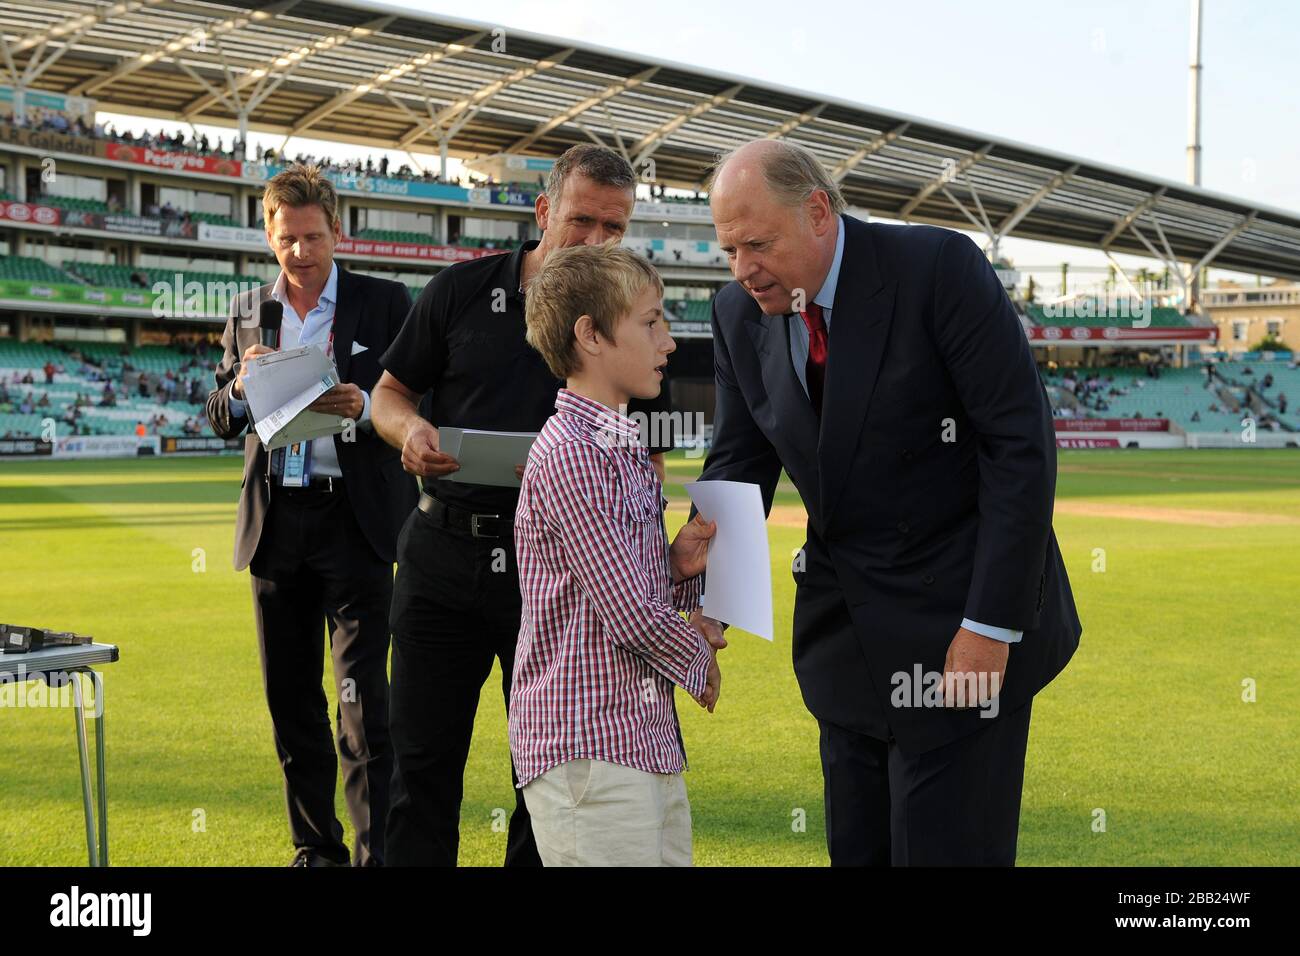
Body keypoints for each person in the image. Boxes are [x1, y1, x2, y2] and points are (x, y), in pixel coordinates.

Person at [695, 139, 1080, 866]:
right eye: (728, 250)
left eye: (758, 244)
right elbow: (739, 470)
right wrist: (708, 609)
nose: (743, 269)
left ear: (817, 213)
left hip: (958, 640)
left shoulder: (936, 270)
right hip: (845, 651)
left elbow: (1018, 447)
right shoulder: (735, 314)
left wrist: (990, 625)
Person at [371, 144, 676, 867]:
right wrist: (409, 432)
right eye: (581, 222)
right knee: (419, 770)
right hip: (442, 555)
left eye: (614, 228)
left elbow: (653, 451)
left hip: (558, 579)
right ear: (543, 212)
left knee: (546, 777)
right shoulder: (462, 292)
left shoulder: (625, 319)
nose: (597, 242)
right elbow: (389, 395)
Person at [205, 163, 418, 867]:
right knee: (291, 701)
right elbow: (216, 417)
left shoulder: (385, 303)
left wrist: (365, 409)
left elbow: (419, 399)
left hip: (354, 524)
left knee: (363, 706)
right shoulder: (244, 311)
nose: (301, 251)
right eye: (288, 237)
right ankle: (315, 849)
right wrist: (240, 385)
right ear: (269, 235)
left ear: (337, 231)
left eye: (313, 236)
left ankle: (373, 854)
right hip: (275, 526)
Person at [510, 243, 718, 866]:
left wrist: (676, 570)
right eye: (651, 322)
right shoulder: (572, 451)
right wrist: (698, 655)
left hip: (638, 738)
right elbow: (628, 613)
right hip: (589, 751)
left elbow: (625, 583)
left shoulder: (621, 443)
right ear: (591, 336)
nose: (668, 342)